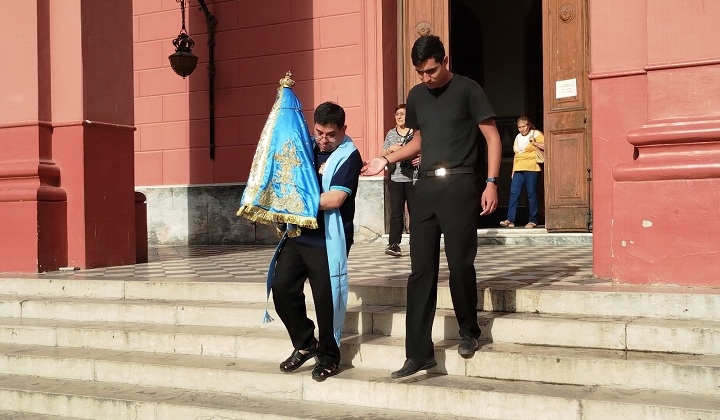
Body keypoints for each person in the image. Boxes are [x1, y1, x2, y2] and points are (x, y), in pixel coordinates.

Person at [362, 35, 502, 379]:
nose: (426, 77)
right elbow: (419, 141)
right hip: (423, 187)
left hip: (460, 184)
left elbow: (492, 137)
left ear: (445, 61)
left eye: (432, 70)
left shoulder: (468, 90)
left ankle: (469, 331)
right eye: (420, 72)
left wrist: (491, 182)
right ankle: (418, 353)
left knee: (459, 264)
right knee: (420, 272)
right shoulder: (416, 96)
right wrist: (386, 159)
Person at [271, 102, 363, 382]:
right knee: (282, 288)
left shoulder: (349, 156)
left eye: (331, 134)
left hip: (328, 239)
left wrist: (293, 203)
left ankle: (329, 356)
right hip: (298, 235)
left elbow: (335, 199)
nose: (324, 139)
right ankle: (305, 343)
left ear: (343, 130)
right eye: (319, 132)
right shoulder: (304, 148)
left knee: (326, 300)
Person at [381, 104, 419, 257]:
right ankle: (394, 244)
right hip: (395, 178)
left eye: (402, 114)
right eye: (397, 114)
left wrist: (422, 158)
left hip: (414, 178)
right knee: (396, 212)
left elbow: (425, 148)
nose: (399, 117)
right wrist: (390, 150)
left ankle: (416, 243)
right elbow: (382, 154)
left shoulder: (416, 133)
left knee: (415, 211)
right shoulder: (391, 134)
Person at [499, 116, 545, 229]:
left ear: (529, 125)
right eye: (519, 127)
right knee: (513, 193)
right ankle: (510, 220)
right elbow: (516, 155)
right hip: (518, 168)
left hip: (532, 167)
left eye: (523, 126)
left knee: (531, 194)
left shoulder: (536, 134)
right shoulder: (518, 137)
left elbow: (547, 146)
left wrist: (535, 143)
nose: (521, 129)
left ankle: (533, 220)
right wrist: (513, 170)